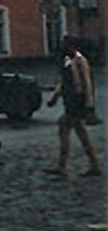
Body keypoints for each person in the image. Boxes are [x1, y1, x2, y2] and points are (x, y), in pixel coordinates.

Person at [43, 36, 103, 177]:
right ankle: (93, 164)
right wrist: (55, 96)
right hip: (71, 100)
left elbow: (87, 84)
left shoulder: (80, 60)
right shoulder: (68, 60)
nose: (64, 47)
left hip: (77, 100)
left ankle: (63, 166)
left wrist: (89, 105)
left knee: (64, 128)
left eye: (66, 45)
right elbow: (64, 81)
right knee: (81, 133)